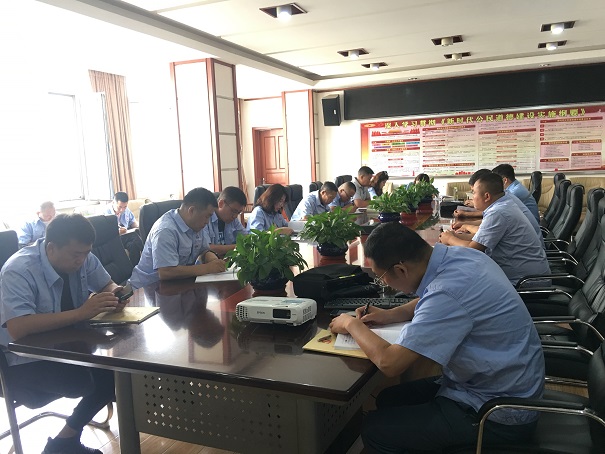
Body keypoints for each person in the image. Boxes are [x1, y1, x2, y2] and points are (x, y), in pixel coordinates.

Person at [329, 222, 544, 453]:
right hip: (498, 384)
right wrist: (391, 314)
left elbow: (390, 363)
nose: (384, 284)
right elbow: (434, 296)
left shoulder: (447, 292)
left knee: (374, 430)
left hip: (496, 413)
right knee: (388, 399)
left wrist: (350, 323)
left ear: (401, 270)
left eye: (381, 278)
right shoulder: (462, 257)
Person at [0, 214, 128, 454]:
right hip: (23, 361)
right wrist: (81, 313)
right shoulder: (18, 270)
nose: (81, 260)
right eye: (76, 255)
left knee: (120, 370)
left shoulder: (82, 256)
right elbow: (18, 328)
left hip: (69, 347)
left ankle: (64, 441)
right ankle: (64, 443)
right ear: (51, 248)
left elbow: (106, 284)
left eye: (86, 253)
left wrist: (115, 293)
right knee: (98, 378)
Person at [440, 172, 550, 286]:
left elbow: (474, 249)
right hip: (528, 276)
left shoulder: (498, 212)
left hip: (525, 282)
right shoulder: (504, 204)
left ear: (487, 196)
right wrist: (455, 235)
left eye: (474, 193)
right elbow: (481, 238)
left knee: (459, 279)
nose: (472, 197)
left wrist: (449, 239)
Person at [130, 187, 226, 289]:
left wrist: (214, 261)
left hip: (177, 286)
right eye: (207, 216)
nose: (207, 222)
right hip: (147, 290)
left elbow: (204, 251)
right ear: (192, 211)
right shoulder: (166, 230)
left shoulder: (196, 225)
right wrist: (207, 268)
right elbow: (166, 272)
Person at [203, 186, 247, 257]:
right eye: (234, 211)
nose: (235, 216)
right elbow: (206, 248)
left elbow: (246, 238)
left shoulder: (233, 219)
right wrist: (238, 247)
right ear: (221, 203)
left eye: (239, 212)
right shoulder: (205, 217)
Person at [104, 191, 143, 267]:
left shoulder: (126, 210)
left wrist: (140, 226)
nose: (122, 210)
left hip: (126, 237)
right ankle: (147, 251)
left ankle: (135, 269)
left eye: (125, 207)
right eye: (120, 207)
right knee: (135, 236)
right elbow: (104, 233)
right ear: (113, 203)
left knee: (133, 245)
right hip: (115, 239)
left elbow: (133, 222)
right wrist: (117, 232)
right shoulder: (105, 213)